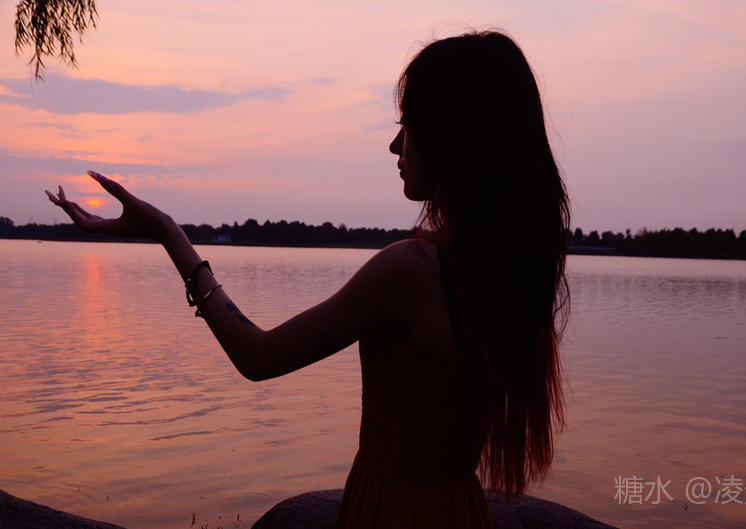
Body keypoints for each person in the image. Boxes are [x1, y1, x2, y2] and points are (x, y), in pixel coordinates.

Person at [45, 29, 570, 529]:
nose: (395, 146)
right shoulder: (509, 272)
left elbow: (258, 356)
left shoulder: (412, 271)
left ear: (453, 140)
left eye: (408, 126)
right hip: (461, 512)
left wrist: (168, 234)